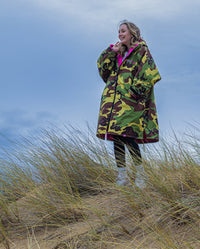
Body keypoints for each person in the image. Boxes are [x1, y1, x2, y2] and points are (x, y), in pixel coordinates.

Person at [96, 20, 161, 185]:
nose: (120, 34)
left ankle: (140, 175)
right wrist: (111, 51)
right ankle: (122, 176)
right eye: (118, 31)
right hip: (112, 104)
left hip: (131, 103)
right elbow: (103, 70)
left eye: (123, 31)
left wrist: (134, 93)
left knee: (129, 136)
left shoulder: (141, 51)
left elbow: (150, 75)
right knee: (117, 137)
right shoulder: (117, 53)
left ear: (132, 32)